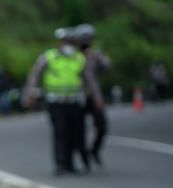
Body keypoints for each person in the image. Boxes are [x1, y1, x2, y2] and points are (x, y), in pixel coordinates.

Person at [25, 28, 103, 176]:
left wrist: (97, 97)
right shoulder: (49, 57)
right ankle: (60, 164)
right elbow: (34, 75)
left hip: (74, 101)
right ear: (59, 42)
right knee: (60, 132)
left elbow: (91, 80)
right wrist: (30, 93)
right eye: (65, 41)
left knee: (75, 133)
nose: (67, 44)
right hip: (56, 101)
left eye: (70, 41)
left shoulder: (79, 58)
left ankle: (70, 164)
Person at [74, 24, 111, 165]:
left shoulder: (94, 54)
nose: (85, 41)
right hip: (77, 97)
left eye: (88, 38)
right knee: (79, 129)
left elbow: (107, 66)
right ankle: (84, 158)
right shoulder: (72, 55)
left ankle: (94, 151)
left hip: (94, 97)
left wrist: (96, 56)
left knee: (102, 126)